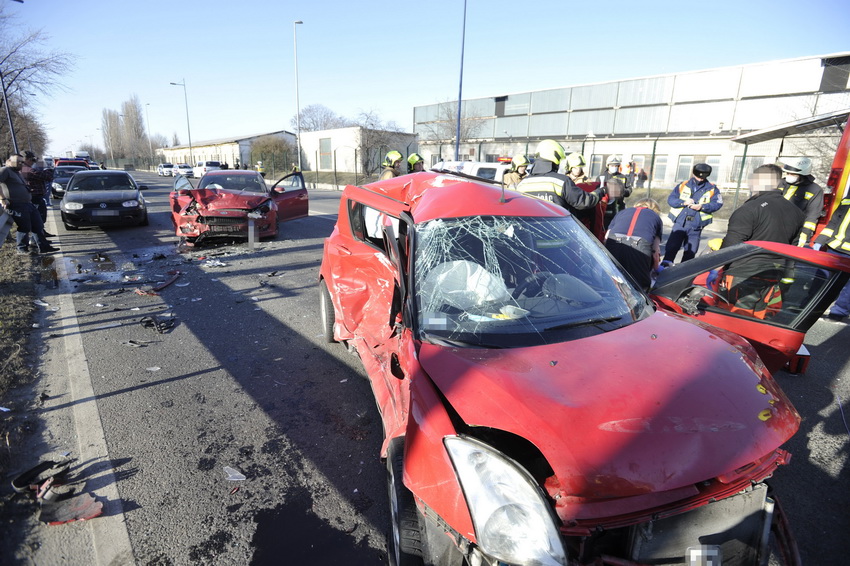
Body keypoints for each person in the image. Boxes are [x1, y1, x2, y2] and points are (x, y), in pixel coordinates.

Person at [720, 164, 804, 248]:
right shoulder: (797, 212)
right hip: (780, 260)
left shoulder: (749, 209)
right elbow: (792, 248)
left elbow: (729, 249)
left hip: (749, 260)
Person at [516, 140, 606, 216]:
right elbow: (584, 202)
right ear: (555, 158)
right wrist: (600, 191)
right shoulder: (561, 181)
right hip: (558, 233)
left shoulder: (522, 184)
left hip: (529, 234)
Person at [661, 163, 723, 264]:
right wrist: (683, 203)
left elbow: (718, 203)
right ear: (694, 174)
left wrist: (702, 207)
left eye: (703, 177)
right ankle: (664, 268)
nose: (700, 179)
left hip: (696, 225)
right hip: (680, 223)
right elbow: (671, 199)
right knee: (671, 248)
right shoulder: (683, 185)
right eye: (698, 176)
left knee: (691, 252)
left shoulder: (712, 189)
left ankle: (683, 274)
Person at [0, 154, 58, 255]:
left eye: (22, 162)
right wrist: (3, 199)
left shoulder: (17, 172)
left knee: (38, 225)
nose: (21, 164)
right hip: (16, 204)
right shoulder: (5, 170)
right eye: (18, 161)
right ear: (9, 161)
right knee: (24, 227)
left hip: (27, 203)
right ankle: (22, 249)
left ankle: (44, 247)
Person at [604, 198, 663, 290]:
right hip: (640, 245)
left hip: (613, 242)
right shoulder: (656, 218)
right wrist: (657, 269)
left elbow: (606, 238)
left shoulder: (622, 212)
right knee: (639, 287)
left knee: (611, 280)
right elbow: (655, 252)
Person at [813, 197, 850, 322]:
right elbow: (833, 223)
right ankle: (812, 307)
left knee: (848, 287)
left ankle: (838, 312)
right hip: (833, 247)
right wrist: (820, 241)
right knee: (821, 279)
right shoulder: (847, 200)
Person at [779, 157, 824, 247]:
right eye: (787, 173)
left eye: (792, 174)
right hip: (770, 225)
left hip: (792, 231)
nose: (788, 175)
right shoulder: (780, 183)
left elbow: (812, 215)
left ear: (803, 175)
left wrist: (805, 235)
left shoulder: (815, 190)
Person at [598, 155, 632, 227]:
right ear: (608, 165)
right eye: (612, 165)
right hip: (605, 208)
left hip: (619, 208)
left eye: (616, 165)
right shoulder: (602, 177)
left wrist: (621, 191)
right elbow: (596, 190)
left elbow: (629, 190)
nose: (614, 167)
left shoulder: (623, 177)